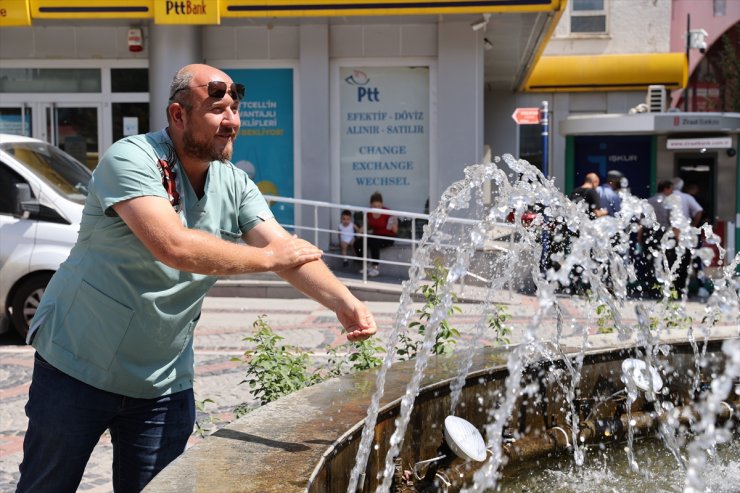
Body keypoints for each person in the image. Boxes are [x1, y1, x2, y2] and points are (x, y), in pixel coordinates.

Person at [16, 63, 377, 493]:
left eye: (235, 111)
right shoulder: (131, 158)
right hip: (74, 365)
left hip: (161, 382)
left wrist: (343, 301)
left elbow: (287, 251)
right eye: (217, 110)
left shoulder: (236, 184)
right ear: (178, 115)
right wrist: (267, 258)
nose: (232, 122)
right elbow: (175, 246)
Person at [356, 191, 398, 278]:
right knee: (358, 243)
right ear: (371, 205)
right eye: (374, 206)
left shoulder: (387, 212)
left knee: (374, 242)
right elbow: (365, 225)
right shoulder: (369, 213)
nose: (377, 208)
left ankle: (375, 268)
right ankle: (366, 265)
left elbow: (395, 230)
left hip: (388, 237)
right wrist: (359, 233)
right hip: (376, 236)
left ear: (382, 205)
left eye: (379, 206)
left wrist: (393, 221)